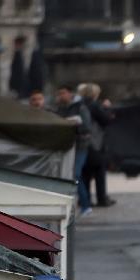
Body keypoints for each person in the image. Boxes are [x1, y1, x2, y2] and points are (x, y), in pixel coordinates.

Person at [54, 84, 92, 213]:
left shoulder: (80, 107)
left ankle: (84, 204)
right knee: (71, 175)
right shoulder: (59, 108)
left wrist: (72, 125)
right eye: (59, 93)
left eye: (63, 93)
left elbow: (87, 127)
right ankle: (81, 204)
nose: (61, 96)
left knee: (75, 174)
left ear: (70, 93)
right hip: (66, 146)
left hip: (80, 145)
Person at [80, 83, 115, 208]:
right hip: (95, 143)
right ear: (95, 94)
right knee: (99, 171)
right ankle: (101, 198)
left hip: (83, 143)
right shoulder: (94, 105)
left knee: (86, 173)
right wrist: (107, 108)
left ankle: (86, 199)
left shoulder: (80, 104)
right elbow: (106, 120)